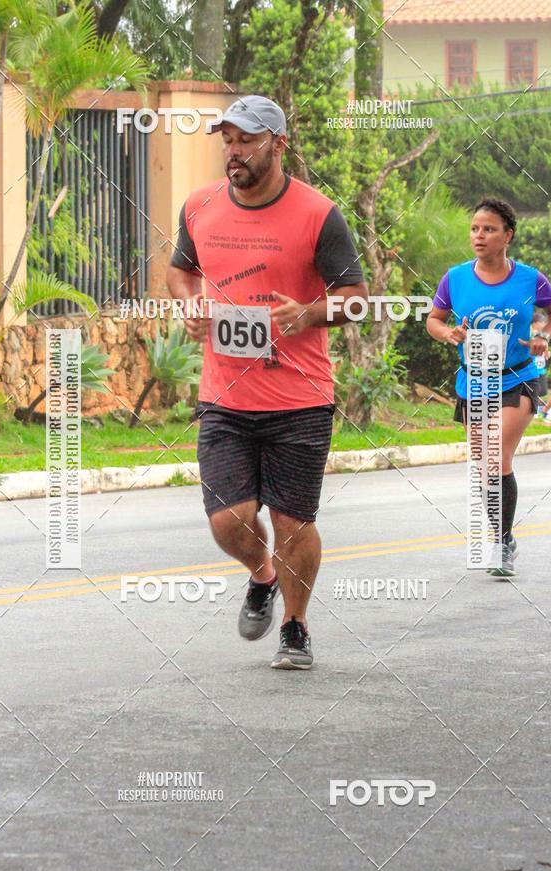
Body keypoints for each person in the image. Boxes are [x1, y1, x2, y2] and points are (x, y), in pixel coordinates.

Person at [166, 95, 368, 669]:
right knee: (228, 520)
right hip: (225, 397)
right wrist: (191, 305)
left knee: (292, 521)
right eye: (227, 139)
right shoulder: (200, 205)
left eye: (246, 140)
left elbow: (357, 300)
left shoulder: (317, 213)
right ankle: (262, 573)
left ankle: (296, 627)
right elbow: (182, 271)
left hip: (299, 398)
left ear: (278, 144)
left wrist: (308, 313)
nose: (234, 152)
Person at [426, 197, 551, 576]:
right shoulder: (454, 278)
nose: (479, 235)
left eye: (488, 229)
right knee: (486, 464)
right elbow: (433, 320)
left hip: (519, 378)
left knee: (494, 456)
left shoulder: (529, 278)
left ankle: (501, 546)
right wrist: (448, 333)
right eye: (475, 228)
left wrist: (544, 336)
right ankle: (503, 537)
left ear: (508, 236)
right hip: (473, 382)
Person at [531, 311, 551, 403]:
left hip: (540, 367)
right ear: (535, 323)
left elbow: (544, 347)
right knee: (536, 391)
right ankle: (535, 410)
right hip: (532, 368)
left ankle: (536, 408)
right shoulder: (531, 334)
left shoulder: (542, 335)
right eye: (542, 322)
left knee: (542, 391)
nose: (544, 324)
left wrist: (547, 352)